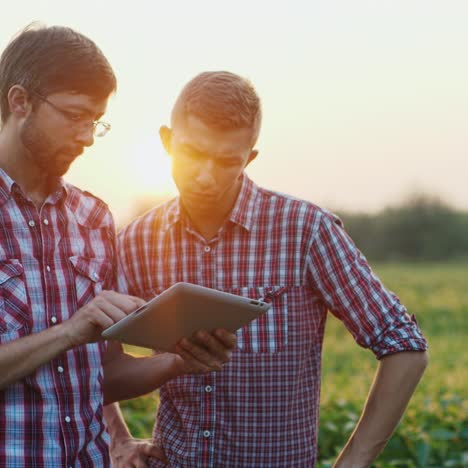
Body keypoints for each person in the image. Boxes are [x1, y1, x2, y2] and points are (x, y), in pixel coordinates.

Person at [105, 71, 428, 467]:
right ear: (167, 142)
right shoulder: (136, 241)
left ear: (250, 157)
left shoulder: (306, 231)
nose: (206, 176)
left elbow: (404, 346)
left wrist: (352, 461)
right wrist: (117, 439)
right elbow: (85, 360)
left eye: (227, 161)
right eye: (192, 153)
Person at [0, 26, 236, 467]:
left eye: (96, 122)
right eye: (74, 116)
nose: (87, 137)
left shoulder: (93, 219)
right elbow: (72, 337)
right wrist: (69, 332)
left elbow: (102, 375)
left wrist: (178, 361)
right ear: (20, 102)